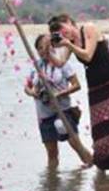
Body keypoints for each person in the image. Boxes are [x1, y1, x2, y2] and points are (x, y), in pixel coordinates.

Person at [50, 13, 109, 172]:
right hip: (95, 87)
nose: (63, 33)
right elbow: (60, 63)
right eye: (59, 32)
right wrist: (50, 50)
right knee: (102, 128)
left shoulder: (89, 28)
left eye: (62, 28)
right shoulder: (70, 42)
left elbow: (87, 55)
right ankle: (105, 164)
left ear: (68, 21)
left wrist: (69, 44)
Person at [25, 34, 84, 166]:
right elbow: (27, 87)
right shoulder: (36, 66)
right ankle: (52, 183)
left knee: (77, 146)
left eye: (47, 47)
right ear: (37, 51)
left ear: (53, 47)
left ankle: (93, 171)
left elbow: (77, 85)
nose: (44, 51)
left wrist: (60, 94)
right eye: (40, 48)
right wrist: (32, 92)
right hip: (44, 115)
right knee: (52, 155)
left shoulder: (62, 64)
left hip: (62, 112)